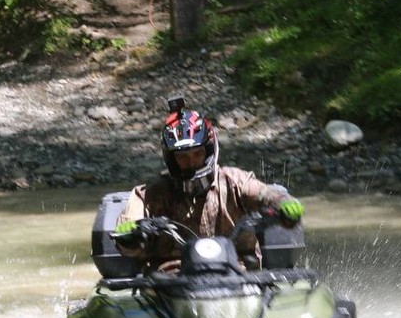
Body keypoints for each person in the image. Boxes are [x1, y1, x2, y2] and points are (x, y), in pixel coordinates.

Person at [114, 96, 305, 270]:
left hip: (239, 278)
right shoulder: (149, 193)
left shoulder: (235, 181)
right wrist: (130, 234)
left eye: (197, 153)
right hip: (171, 286)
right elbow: (128, 228)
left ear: (209, 149)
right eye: (182, 157)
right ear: (171, 159)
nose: (191, 162)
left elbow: (265, 194)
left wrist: (284, 204)